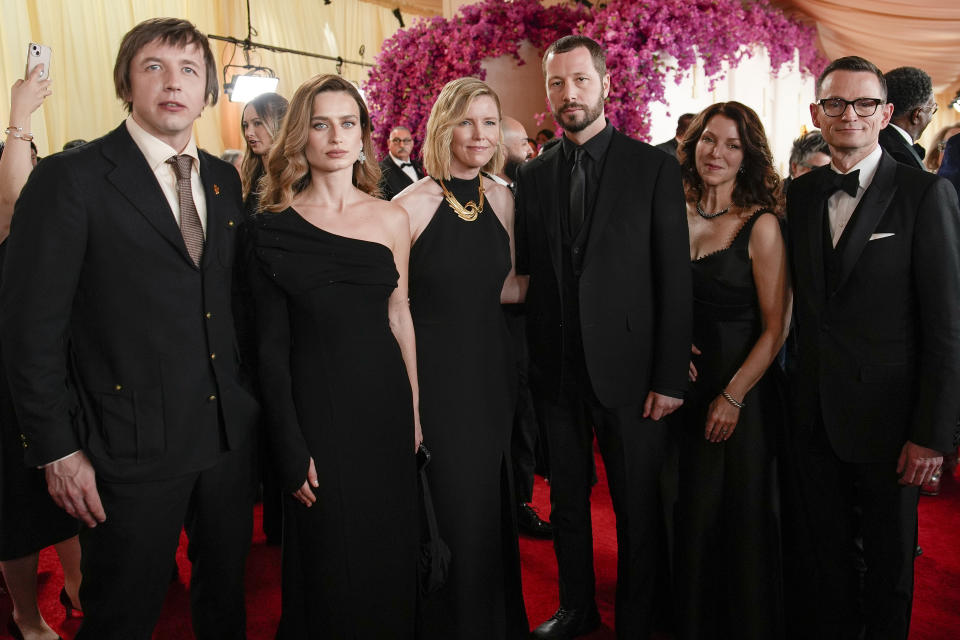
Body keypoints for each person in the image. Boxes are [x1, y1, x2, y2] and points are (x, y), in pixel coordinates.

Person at [0, 18, 260, 640]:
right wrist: (58, 451)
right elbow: (30, 329)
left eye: (190, 71)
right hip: (126, 446)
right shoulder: (71, 179)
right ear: (126, 82)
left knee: (224, 602)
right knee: (122, 612)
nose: (173, 83)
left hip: (225, 441)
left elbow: (228, 309)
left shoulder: (223, 182)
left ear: (207, 93)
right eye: (155, 67)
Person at [515, 35, 691, 640]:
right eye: (557, 83)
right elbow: (533, 273)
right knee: (567, 504)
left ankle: (640, 620)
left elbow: (675, 280)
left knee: (638, 507)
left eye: (580, 81)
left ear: (606, 83)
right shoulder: (532, 177)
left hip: (634, 375)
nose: (569, 94)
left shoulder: (654, 168)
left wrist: (670, 377)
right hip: (559, 374)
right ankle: (576, 608)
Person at [786, 55, 960, 639]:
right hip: (812, 416)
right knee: (825, 562)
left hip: (892, 424)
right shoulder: (801, 195)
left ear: (886, 114)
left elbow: (946, 328)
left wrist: (933, 434)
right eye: (835, 103)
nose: (849, 115)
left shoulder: (925, 194)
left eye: (864, 104)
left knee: (889, 568)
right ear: (816, 113)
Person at [251, 73, 420, 639]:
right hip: (318, 412)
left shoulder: (392, 218)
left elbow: (400, 316)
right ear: (301, 134)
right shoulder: (271, 229)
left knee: (387, 545)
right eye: (321, 123)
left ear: (364, 134)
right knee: (328, 556)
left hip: (385, 408)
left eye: (348, 123)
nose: (335, 136)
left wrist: (416, 414)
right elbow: (269, 352)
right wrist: (289, 444)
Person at [393, 76, 528, 639]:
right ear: (442, 127)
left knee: (488, 510)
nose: (479, 134)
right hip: (438, 383)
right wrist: (412, 405)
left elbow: (509, 287)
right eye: (466, 122)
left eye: (490, 122)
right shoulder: (407, 207)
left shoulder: (504, 198)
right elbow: (394, 309)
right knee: (448, 509)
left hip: (491, 375)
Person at [675, 101, 790, 640]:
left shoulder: (762, 225)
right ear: (693, 143)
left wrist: (734, 396)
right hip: (678, 389)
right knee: (685, 509)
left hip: (741, 391)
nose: (716, 153)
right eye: (708, 140)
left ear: (748, 157)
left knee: (733, 516)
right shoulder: (673, 208)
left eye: (732, 144)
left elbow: (777, 327)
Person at [0, 62, 83, 640]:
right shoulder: (13, 220)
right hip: (7, 383)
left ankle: (81, 591)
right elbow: (13, 201)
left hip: (54, 371)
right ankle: (27, 618)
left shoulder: (43, 225)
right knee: (18, 510)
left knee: (72, 500)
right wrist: (20, 117)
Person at [493, 116, 551, 538]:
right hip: (491, 324)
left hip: (527, 324)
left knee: (524, 420)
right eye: (522, 145)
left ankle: (519, 501)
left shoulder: (526, 193)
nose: (530, 152)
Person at [236, 90, 288, 545]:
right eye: (246, 126)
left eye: (258, 124)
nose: (251, 133)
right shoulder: (248, 180)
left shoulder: (301, 178)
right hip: (251, 318)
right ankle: (275, 521)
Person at [878, 66, 936, 171]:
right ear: (917, 115)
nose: (931, 117)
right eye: (932, 109)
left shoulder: (873, 141)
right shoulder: (901, 158)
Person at [240, 92, 288, 214]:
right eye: (245, 125)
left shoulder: (295, 176)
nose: (248, 133)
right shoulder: (252, 177)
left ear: (280, 124)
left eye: (257, 123)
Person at [379, 125, 424, 200]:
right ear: (388, 143)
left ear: (412, 143)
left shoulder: (419, 166)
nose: (402, 145)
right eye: (396, 140)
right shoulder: (380, 170)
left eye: (406, 140)